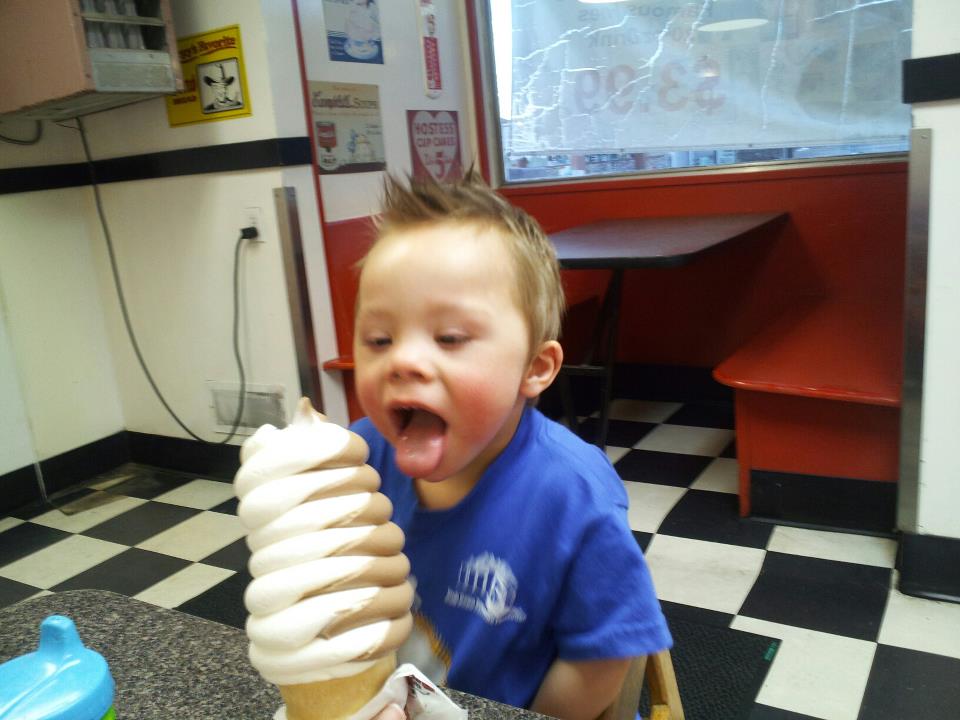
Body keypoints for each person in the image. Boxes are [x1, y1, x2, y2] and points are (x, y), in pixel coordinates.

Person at [351, 170, 671, 720]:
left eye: (450, 338)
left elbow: (600, 663)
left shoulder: (571, 495)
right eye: (379, 339)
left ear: (535, 367)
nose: (402, 360)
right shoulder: (360, 460)